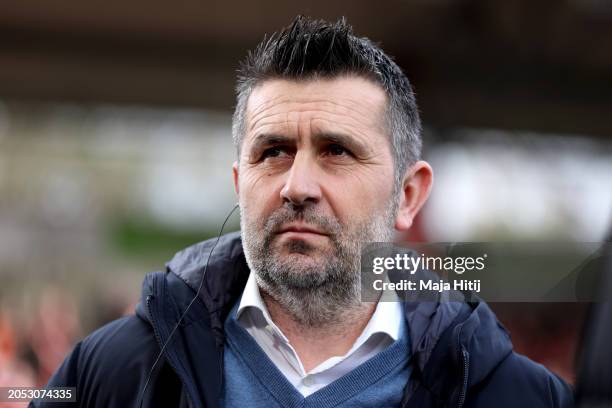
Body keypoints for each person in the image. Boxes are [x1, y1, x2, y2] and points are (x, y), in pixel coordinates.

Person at [32, 16, 573, 408]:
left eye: (337, 151)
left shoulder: (515, 394)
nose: (297, 185)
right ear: (240, 183)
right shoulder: (114, 373)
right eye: (273, 152)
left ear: (408, 196)